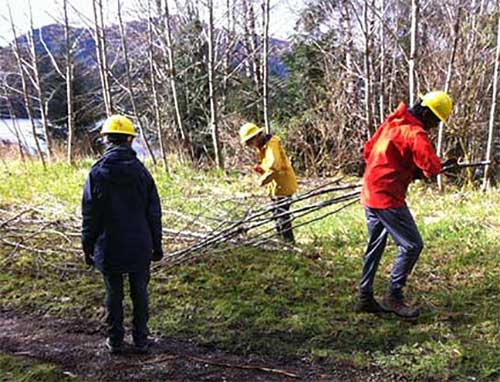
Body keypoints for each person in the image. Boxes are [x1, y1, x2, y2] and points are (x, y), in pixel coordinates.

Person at [354, 91, 453, 319]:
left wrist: (404, 170)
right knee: (411, 245)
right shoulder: (415, 132)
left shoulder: (393, 122)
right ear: (426, 113)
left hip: (370, 191)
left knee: (375, 245)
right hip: (387, 197)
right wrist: (438, 168)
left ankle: (365, 297)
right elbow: (431, 168)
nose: (435, 127)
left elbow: (369, 151)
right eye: (436, 121)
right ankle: (394, 297)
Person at [81, 115, 163, 354]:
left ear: (106, 140)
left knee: (113, 293)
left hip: (109, 246)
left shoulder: (96, 173)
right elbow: (154, 215)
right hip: (139, 244)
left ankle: (115, 340)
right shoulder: (142, 173)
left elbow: (90, 216)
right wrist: (156, 246)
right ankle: (140, 340)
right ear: (130, 140)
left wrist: (87, 246)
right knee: (140, 292)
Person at [239, 122, 298, 244]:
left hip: (284, 185)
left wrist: (263, 180)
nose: (250, 145)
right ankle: (282, 240)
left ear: (257, 136)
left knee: (282, 215)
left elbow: (274, 167)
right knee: (276, 214)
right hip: (276, 187)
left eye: (250, 142)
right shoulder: (264, 147)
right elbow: (269, 166)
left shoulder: (272, 144)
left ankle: (289, 243)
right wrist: (261, 169)